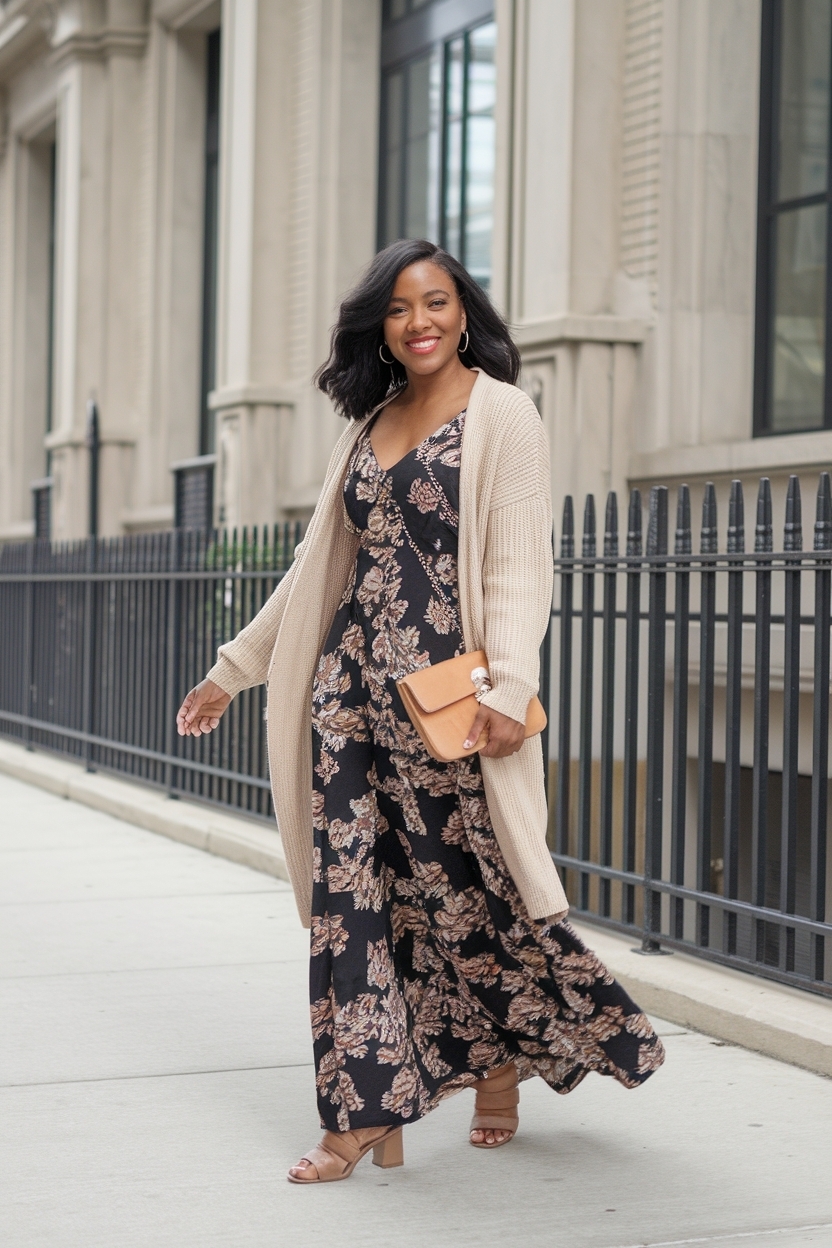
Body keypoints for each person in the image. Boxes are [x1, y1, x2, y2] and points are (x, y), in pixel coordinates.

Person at [176, 238, 665, 1185]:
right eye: (399, 310)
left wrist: (513, 689)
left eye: (435, 302)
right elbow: (320, 569)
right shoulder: (369, 423)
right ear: (381, 328)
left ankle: (500, 1064)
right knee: (349, 905)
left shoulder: (504, 415)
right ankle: (359, 1114)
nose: (420, 322)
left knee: (468, 896)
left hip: (448, 710)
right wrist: (233, 670)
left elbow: (520, 565)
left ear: (464, 309)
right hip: (348, 703)